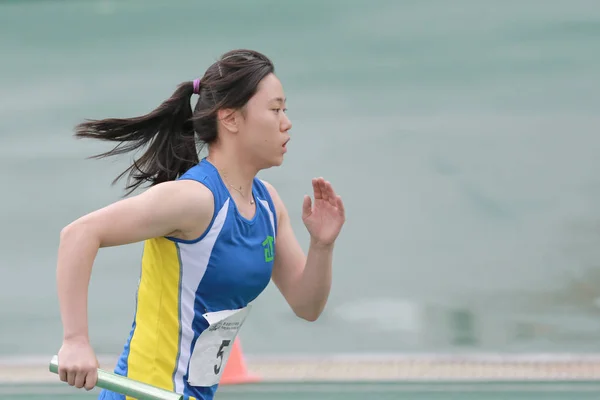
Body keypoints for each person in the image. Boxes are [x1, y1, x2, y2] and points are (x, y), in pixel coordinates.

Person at [54, 49, 346, 400]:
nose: (287, 122)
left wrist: (322, 245)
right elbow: (79, 234)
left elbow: (307, 305)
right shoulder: (194, 199)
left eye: (285, 109)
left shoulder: (268, 204)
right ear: (231, 119)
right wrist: (75, 341)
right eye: (275, 109)